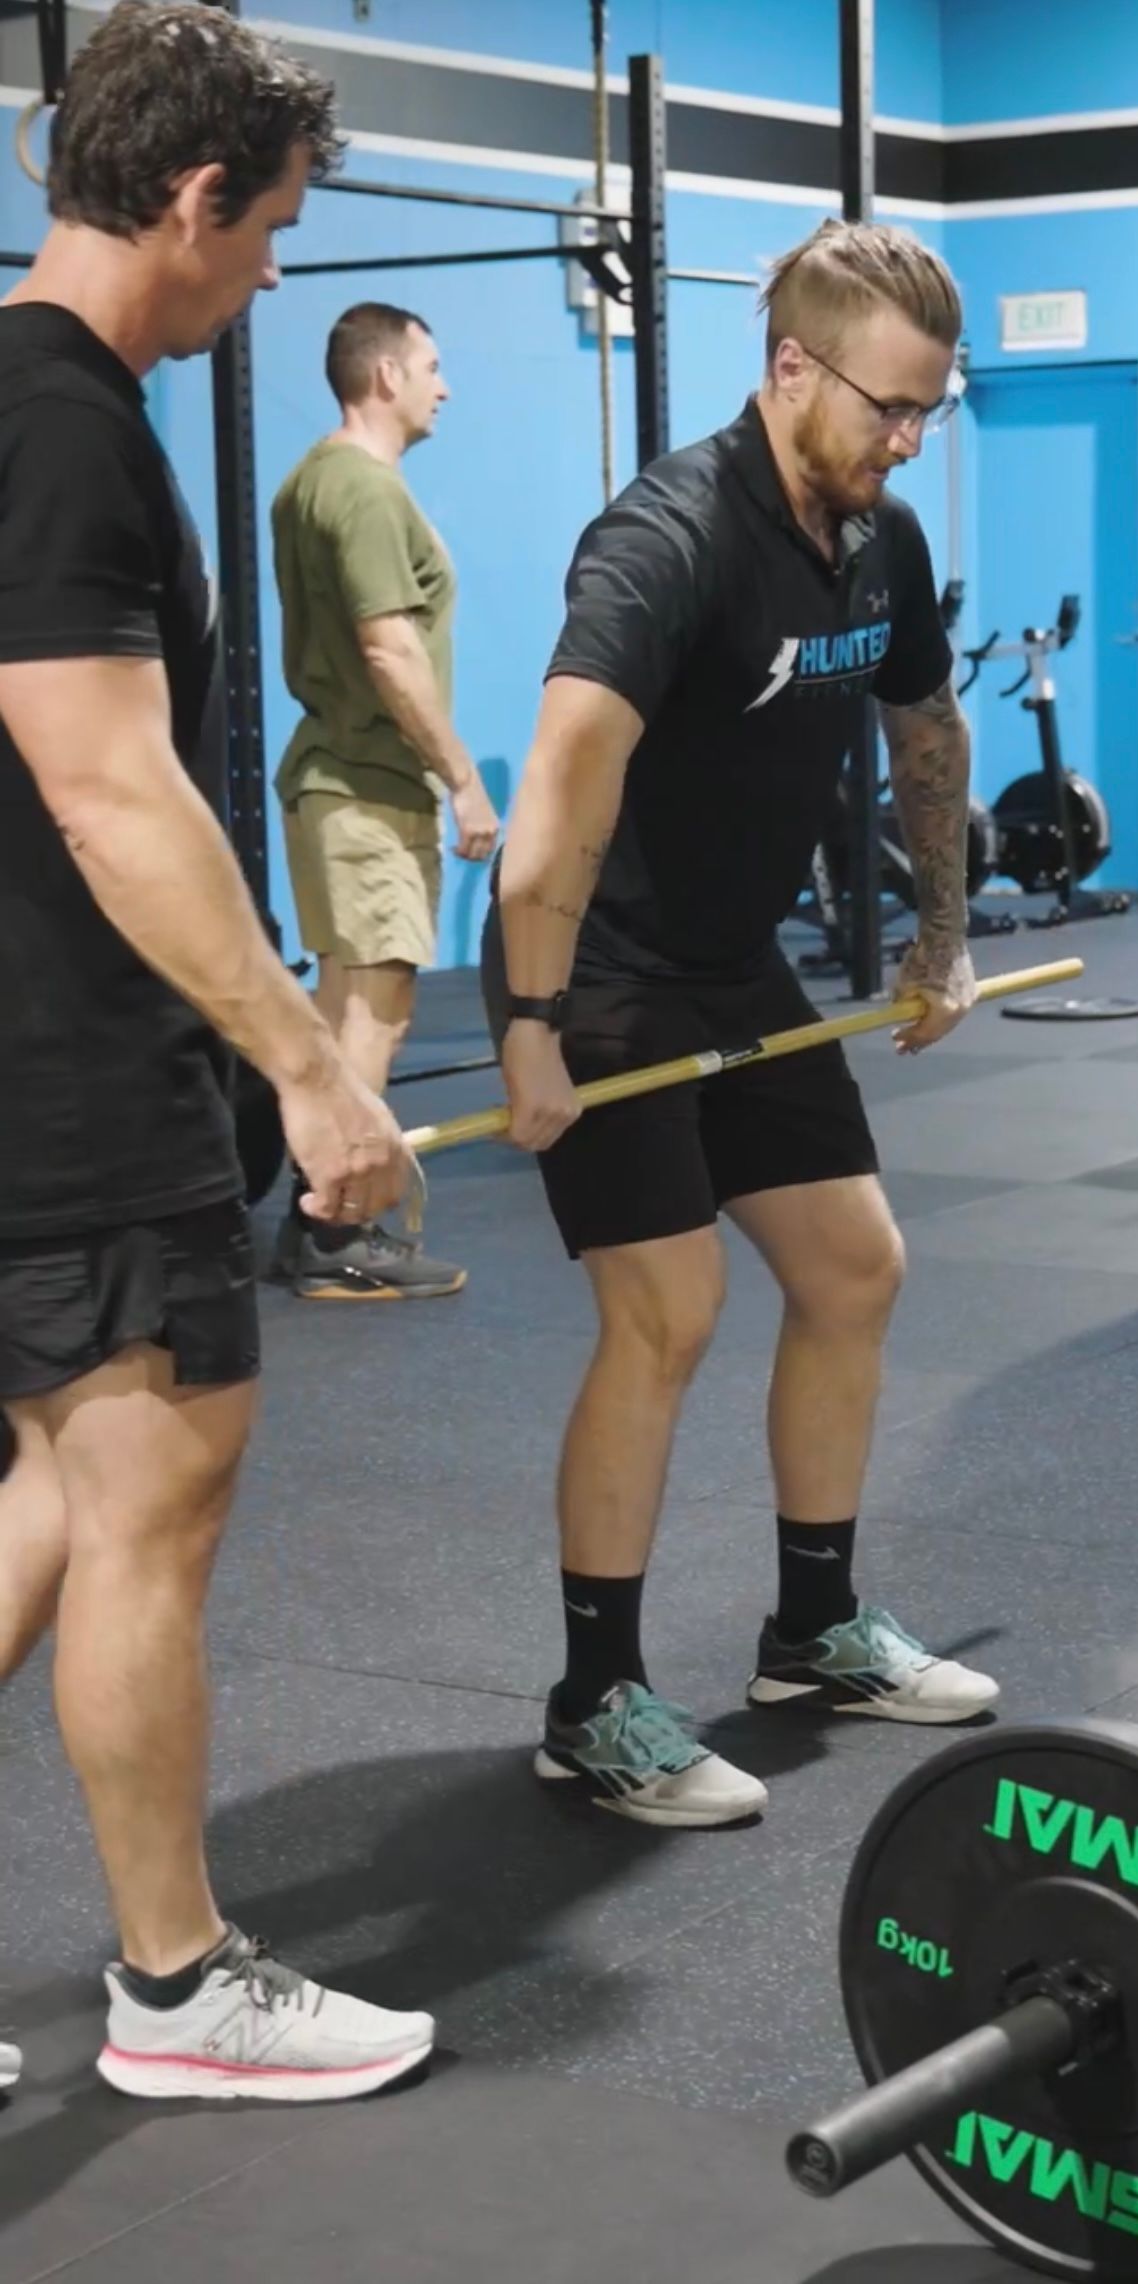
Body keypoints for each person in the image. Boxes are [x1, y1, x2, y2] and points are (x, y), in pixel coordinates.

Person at [0, 0, 434, 2099]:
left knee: (45, 1497)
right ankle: (177, 1993)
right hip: (72, 1068)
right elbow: (107, 787)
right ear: (189, 196)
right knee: (152, 1488)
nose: (272, 267)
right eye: (264, 228)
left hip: (21, 1063)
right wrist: (304, 1059)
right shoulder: (67, 418)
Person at [483, 218, 1001, 1831]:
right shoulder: (669, 535)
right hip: (612, 959)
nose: (906, 439)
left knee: (855, 1265)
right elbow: (559, 781)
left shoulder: (879, 538)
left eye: (931, 410)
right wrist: (531, 1020)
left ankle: (812, 1626)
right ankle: (595, 1702)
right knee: (669, 1310)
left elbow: (925, 719)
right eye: (885, 407)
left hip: (736, 958)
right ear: (790, 367)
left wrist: (941, 931)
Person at [271, 301, 500, 1298]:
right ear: (384, 377)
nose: (443, 385)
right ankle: (332, 1231)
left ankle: (321, 1215)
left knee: (349, 1009)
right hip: (365, 785)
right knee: (374, 1010)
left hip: (343, 780)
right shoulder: (361, 491)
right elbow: (387, 646)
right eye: (432, 365)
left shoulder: (310, 481)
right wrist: (464, 778)